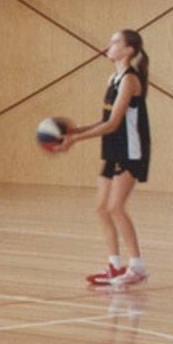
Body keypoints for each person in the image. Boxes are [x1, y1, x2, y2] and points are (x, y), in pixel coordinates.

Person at [55, 28, 152, 289]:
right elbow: (105, 119)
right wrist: (77, 130)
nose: (108, 45)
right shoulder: (114, 78)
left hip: (130, 151)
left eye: (115, 42)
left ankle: (138, 268)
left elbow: (114, 124)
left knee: (116, 208)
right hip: (113, 149)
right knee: (102, 208)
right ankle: (113, 265)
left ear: (128, 50)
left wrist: (75, 141)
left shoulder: (131, 80)